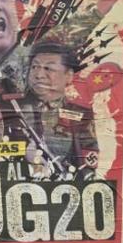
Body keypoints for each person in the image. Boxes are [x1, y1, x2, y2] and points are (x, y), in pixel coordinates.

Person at [16, 41, 98, 179]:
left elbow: (88, 161)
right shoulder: (13, 108)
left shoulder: (81, 115)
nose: (39, 75)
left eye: (49, 68)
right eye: (35, 67)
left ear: (69, 76)